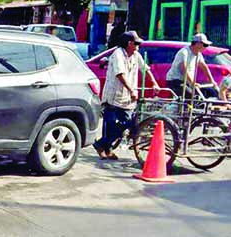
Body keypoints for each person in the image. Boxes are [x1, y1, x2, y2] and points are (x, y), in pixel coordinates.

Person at [93, 31, 160, 161]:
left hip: (128, 99)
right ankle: (107, 149)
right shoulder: (118, 54)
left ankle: (100, 144)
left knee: (127, 123)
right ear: (129, 43)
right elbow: (120, 74)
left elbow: (145, 69)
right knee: (110, 125)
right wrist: (132, 90)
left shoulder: (136, 55)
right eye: (137, 43)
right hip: (113, 95)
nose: (139, 45)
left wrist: (154, 83)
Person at [165, 33, 218, 100]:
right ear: (197, 43)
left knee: (205, 93)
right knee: (191, 96)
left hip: (186, 81)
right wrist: (192, 83)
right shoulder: (184, 52)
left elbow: (204, 67)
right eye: (204, 45)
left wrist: (212, 81)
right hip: (175, 81)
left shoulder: (198, 53)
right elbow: (184, 69)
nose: (205, 47)